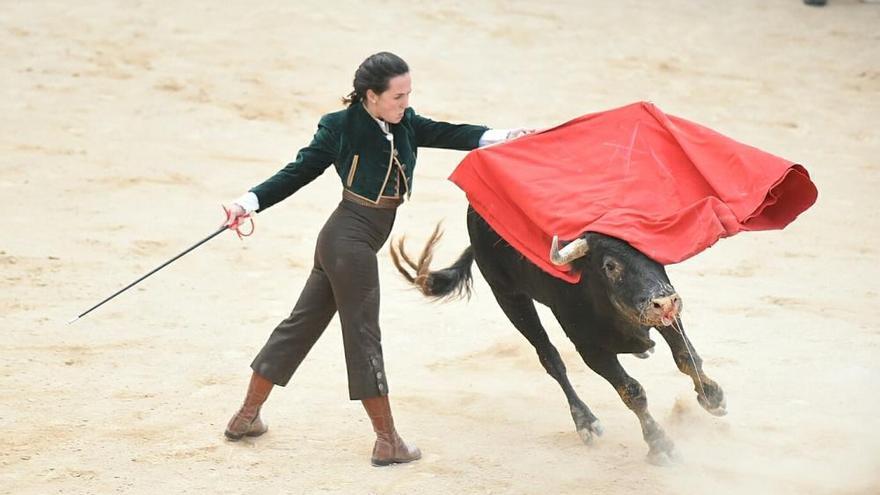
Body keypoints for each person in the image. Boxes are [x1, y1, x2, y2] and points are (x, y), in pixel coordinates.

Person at [222, 51, 532, 466]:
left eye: (408, 95)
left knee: (300, 326)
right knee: (363, 335)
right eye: (397, 97)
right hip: (348, 241)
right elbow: (297, 171)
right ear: (370, 96)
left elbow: (450, 132)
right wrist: (249, 202)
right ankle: (388, 441)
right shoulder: (339, 127)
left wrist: (508, 135)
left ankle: (245, 417)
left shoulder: (404, 122)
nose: (405, 104)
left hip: (348, 242)